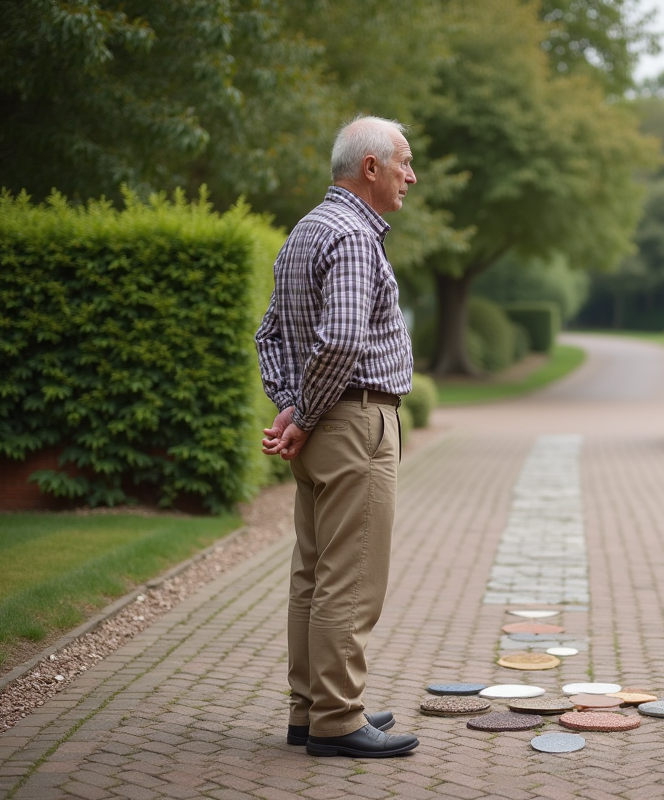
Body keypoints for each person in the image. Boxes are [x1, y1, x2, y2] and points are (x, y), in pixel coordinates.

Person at [254, 115, 419, 758]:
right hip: (353, 424)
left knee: (314, 574)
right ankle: (338, 719)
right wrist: (302, 414)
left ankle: (311, 710)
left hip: (323, 428)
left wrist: (292, 407)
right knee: (351, 579)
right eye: (404, 162)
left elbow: (269, 335)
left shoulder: (306, 231)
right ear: (370, 167)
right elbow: (343, 342)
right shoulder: (353, 236)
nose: (411, 176)